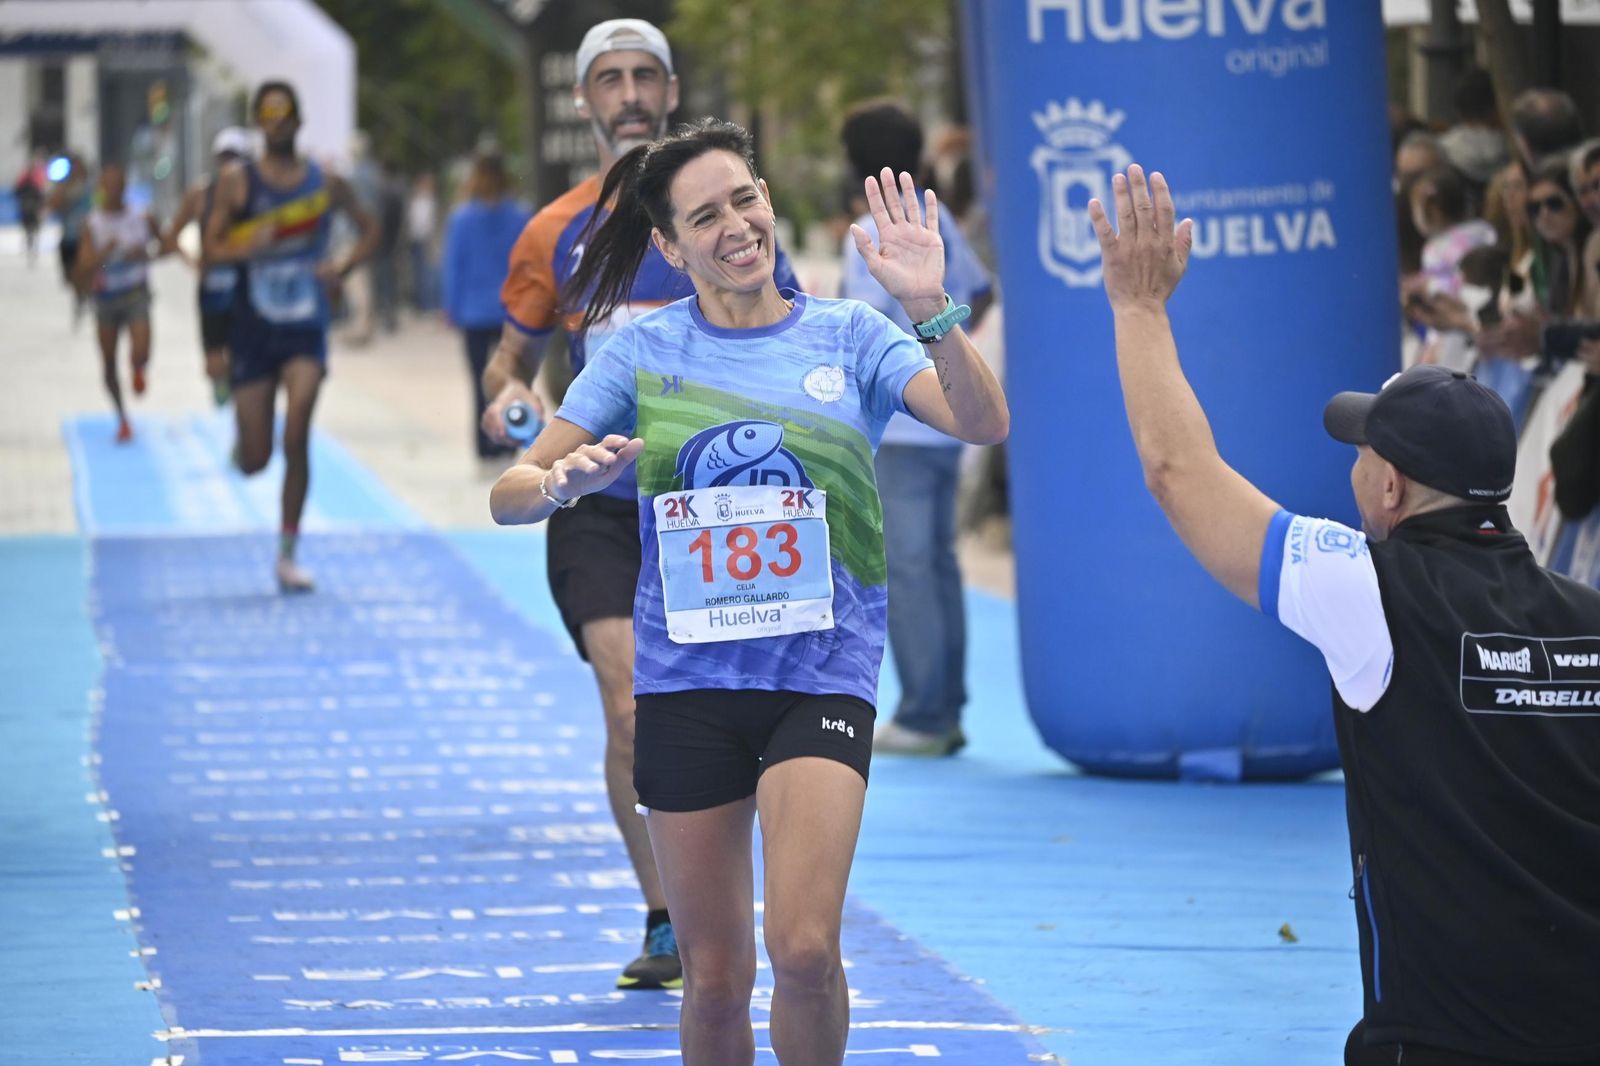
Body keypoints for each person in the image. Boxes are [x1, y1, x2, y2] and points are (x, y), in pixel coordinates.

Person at [490, 116, 1007, 1065]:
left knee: (805, 951)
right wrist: (561, 483)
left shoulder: (851, 335)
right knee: (717, 979)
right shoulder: (644, 356)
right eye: (705, 215)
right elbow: (507, 494)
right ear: (669, 245)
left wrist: (931, 308)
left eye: (745, 198)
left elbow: (981, 421)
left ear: (768, 201)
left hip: (821, 677)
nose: (736, 225)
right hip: (687, 691)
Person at [1090, 163, 1600, 1065]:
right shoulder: (1586, 618)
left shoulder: (1371, 589)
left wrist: (1139, 310)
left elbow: (1182, 475)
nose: (1355, 468)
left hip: (1442, 1038)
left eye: (1363, 452)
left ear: (1392, 486)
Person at [479, 17, 799, 992]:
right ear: (583, 102)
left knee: (718, 712)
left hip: (712, 508)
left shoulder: (726, 223)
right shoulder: (554, 231)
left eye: (642, 77)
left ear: (669, 90)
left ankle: (721, 901)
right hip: (598, 500)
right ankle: (666, 915)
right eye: (608, 80)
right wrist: (506, 396)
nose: (626, 95)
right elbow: (510, 353)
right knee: (627, 701)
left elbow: (785, 335)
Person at [837, 100, 994, 756]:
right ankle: (945, 702)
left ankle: (926, 713)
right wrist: (947, 342)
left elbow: (854, 329)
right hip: (947, 419)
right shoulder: (938, 222)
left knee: (906, 567)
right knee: (936, 561)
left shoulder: (871, 231)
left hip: (899, 424)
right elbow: (981, 292)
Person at [203, 80, 379, 592]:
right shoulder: (238, 182)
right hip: (253, 326)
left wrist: (341, 267)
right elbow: (210, 248)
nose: (277, 124)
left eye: (285, 116)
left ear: (299, 122)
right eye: (268, 116)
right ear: (258, 124)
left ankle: (287, 552)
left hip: (305, 324)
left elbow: (371, 229)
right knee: (258, 459)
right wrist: (245, 244)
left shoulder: (324, 179)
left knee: (297, 430)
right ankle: (245, 443)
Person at [440, 151, 529, 458]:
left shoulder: (462, 219)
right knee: (511, 383)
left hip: (474, 311)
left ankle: (484, 445)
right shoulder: (519, 216)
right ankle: (510, 440)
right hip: (510, 312)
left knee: (480, 381)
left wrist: (450, 307)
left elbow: (454, 266)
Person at [163, 126, 255, 406]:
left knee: (248, 358)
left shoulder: (257, 193)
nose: (230, 163)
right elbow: (172, 235)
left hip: (247, 287)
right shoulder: (201, 194)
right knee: (215, 360)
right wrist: (194, 263)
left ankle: (244, 408)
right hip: (213, 288)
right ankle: (226, 394)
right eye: (226, 157)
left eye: (236, 157)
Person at [75, 163, 161, 443]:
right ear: (101, 189)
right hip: (107, 298)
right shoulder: (93, 223)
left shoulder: (142, 217)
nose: (114, 191)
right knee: (109, 364)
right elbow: (83, 266)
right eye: (108, 186)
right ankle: (122, 417)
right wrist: (105, 252)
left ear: (125, 187)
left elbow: (164, 245)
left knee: (141, 350)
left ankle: (138, 367)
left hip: (136, 292)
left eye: (119, 185)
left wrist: (144, 254)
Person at [49, 153, 94, 325]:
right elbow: (54, 206)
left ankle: (85, 294)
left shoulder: (92, 187)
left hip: (87, 238)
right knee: (71, 275)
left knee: (84, 269)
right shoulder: (64, 188)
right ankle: (80, 294)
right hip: (69, 237)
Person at [14, 150, 46, 266]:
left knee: (33, 229)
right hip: (28, 207)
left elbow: (40, 193)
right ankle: (30, 245)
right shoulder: (27, 176)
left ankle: (32, 246)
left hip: (31, 207)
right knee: (30, 229)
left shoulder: (37, 175)